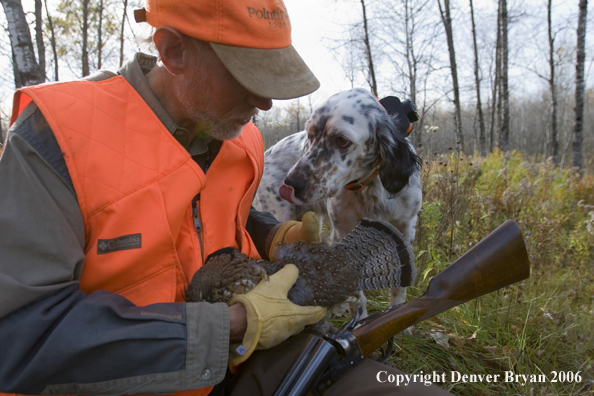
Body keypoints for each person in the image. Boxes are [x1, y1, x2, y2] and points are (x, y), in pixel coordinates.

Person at [0, 0, 454, 395]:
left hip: (239, 368)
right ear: (173, 50)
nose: (264, 102)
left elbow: (213, 220)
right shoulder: (54, 139)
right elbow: (17, 336)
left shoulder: (243, 140)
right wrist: (236, 324)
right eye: (246, 75)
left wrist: (277, 236)